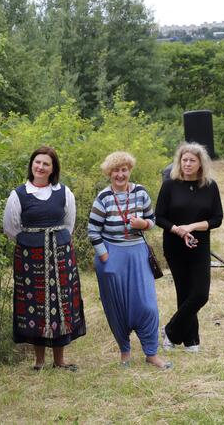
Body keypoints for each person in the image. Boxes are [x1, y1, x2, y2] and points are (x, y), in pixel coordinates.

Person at [2, 147, 86, 371]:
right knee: (35, 304)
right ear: (31, 164)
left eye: (45, 164)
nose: (40, 167)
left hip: (60, 254)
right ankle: (39, 361)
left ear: (53, 169)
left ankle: (60, 360)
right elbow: (11, 228)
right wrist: (34, 241)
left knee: (62, 303)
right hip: (31, 256)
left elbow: (69, 223)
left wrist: (55, 241)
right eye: (37, 162)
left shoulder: (64, 192)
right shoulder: (19, 194)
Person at [88, 151, 172, 370]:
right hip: (111, 255)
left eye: (124, 169)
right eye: (116, 170)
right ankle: (125, 351)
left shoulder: (141, 192)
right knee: (117, 307)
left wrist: (143, 224)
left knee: (147, 305)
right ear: (109, 173)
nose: (120, 174)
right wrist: (106, 258)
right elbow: (93, 231)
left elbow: (152, 220)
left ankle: (151, 353)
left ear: (129, 170)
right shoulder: (103, 197)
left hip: (137, 254)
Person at [156, 142, 223, 354]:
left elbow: (217, 218)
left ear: (200, 163)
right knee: (184, 293)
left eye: (192, 160)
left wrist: (192, 227)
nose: (187, 163)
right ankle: (191, 340)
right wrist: (179, 230)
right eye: (184, 160)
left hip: (200, 246)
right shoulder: (170, 185)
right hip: (174, 246)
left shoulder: (210, 186)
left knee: (200, 294)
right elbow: (159, 217)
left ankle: (170, 331)